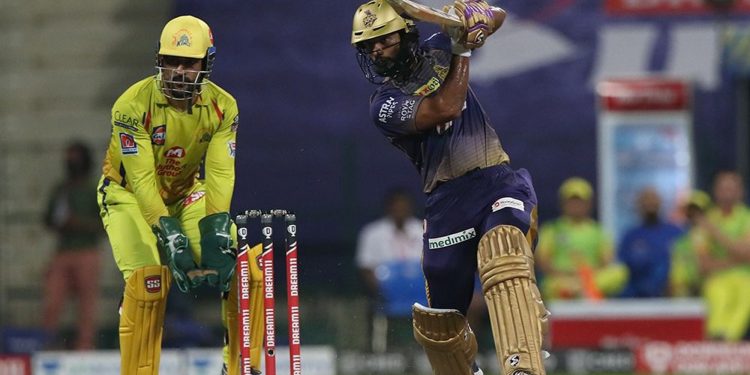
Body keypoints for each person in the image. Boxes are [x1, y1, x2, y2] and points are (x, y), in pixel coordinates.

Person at [351, 1, 548, 374]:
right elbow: (446, 107)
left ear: (406, 31)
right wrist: (463, 48)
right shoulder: (385, 105)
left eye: (383, 39)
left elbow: (499, 15)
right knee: (439, 326)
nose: (376, 50)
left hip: (495, 181)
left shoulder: (439, 45)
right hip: (445, 202)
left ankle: (522, 365)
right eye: (369, 45)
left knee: (504, 250)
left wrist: (476, 20)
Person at [96, 16, 263, 375]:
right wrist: (167, 231)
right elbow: (141, 180)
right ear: (159, 61)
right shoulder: (131, 105)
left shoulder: (224, 107)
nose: (178, 72)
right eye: (170, 61)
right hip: (126, 196)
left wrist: (216, 227)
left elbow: (219, 172)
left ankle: (240, 368)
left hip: (186, 192)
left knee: (245, 269)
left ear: (207, 63)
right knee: (148, 280)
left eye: (188, 63)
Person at [42, 141, 104, 350]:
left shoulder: (94, 188)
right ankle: (49, 345)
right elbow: (48, 219)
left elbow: (106, 224)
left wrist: (78, 224)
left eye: (75, 157)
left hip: (87, 251)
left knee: (86, 305)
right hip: (63, 252)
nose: (71, 162)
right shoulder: (61, 188)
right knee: (52, 301)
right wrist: (61, 222)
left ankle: (84, 347)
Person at [536, 177, 626, 300]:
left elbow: (606, 261)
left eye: (580, 201)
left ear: (589, 204)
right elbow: (543, 262)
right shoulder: (552, 229)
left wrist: (587, 275)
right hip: (562, 278)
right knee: (551, 285)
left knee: (619, 272)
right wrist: (568, 273)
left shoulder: (598, 231)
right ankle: (581, 291)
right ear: (563, 203)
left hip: (591, 277)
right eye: (572, 201)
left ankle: (578, 291)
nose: (576, 206)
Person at [691, 171, 750, 341]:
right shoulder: (704, 222)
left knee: (746, 296)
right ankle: (716, 339)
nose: (727, 194)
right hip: (716, 278)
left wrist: (714, 231)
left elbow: (747, 253)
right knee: (718, 297)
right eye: (723, 189)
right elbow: (703, 265)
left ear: (740, 192)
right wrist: (738, 258)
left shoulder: (746, 218)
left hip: (746, 277)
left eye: (731, 189)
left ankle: (726, 342)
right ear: (715, 191)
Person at [617, 187, 684, 298]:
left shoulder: (675, 233)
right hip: (636, 298)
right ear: (638, 205)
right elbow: (623, 269)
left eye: (653, 200)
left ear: (660, 203)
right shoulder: (630, 236)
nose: (650, 204)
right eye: (646, 200)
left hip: (671, 297)